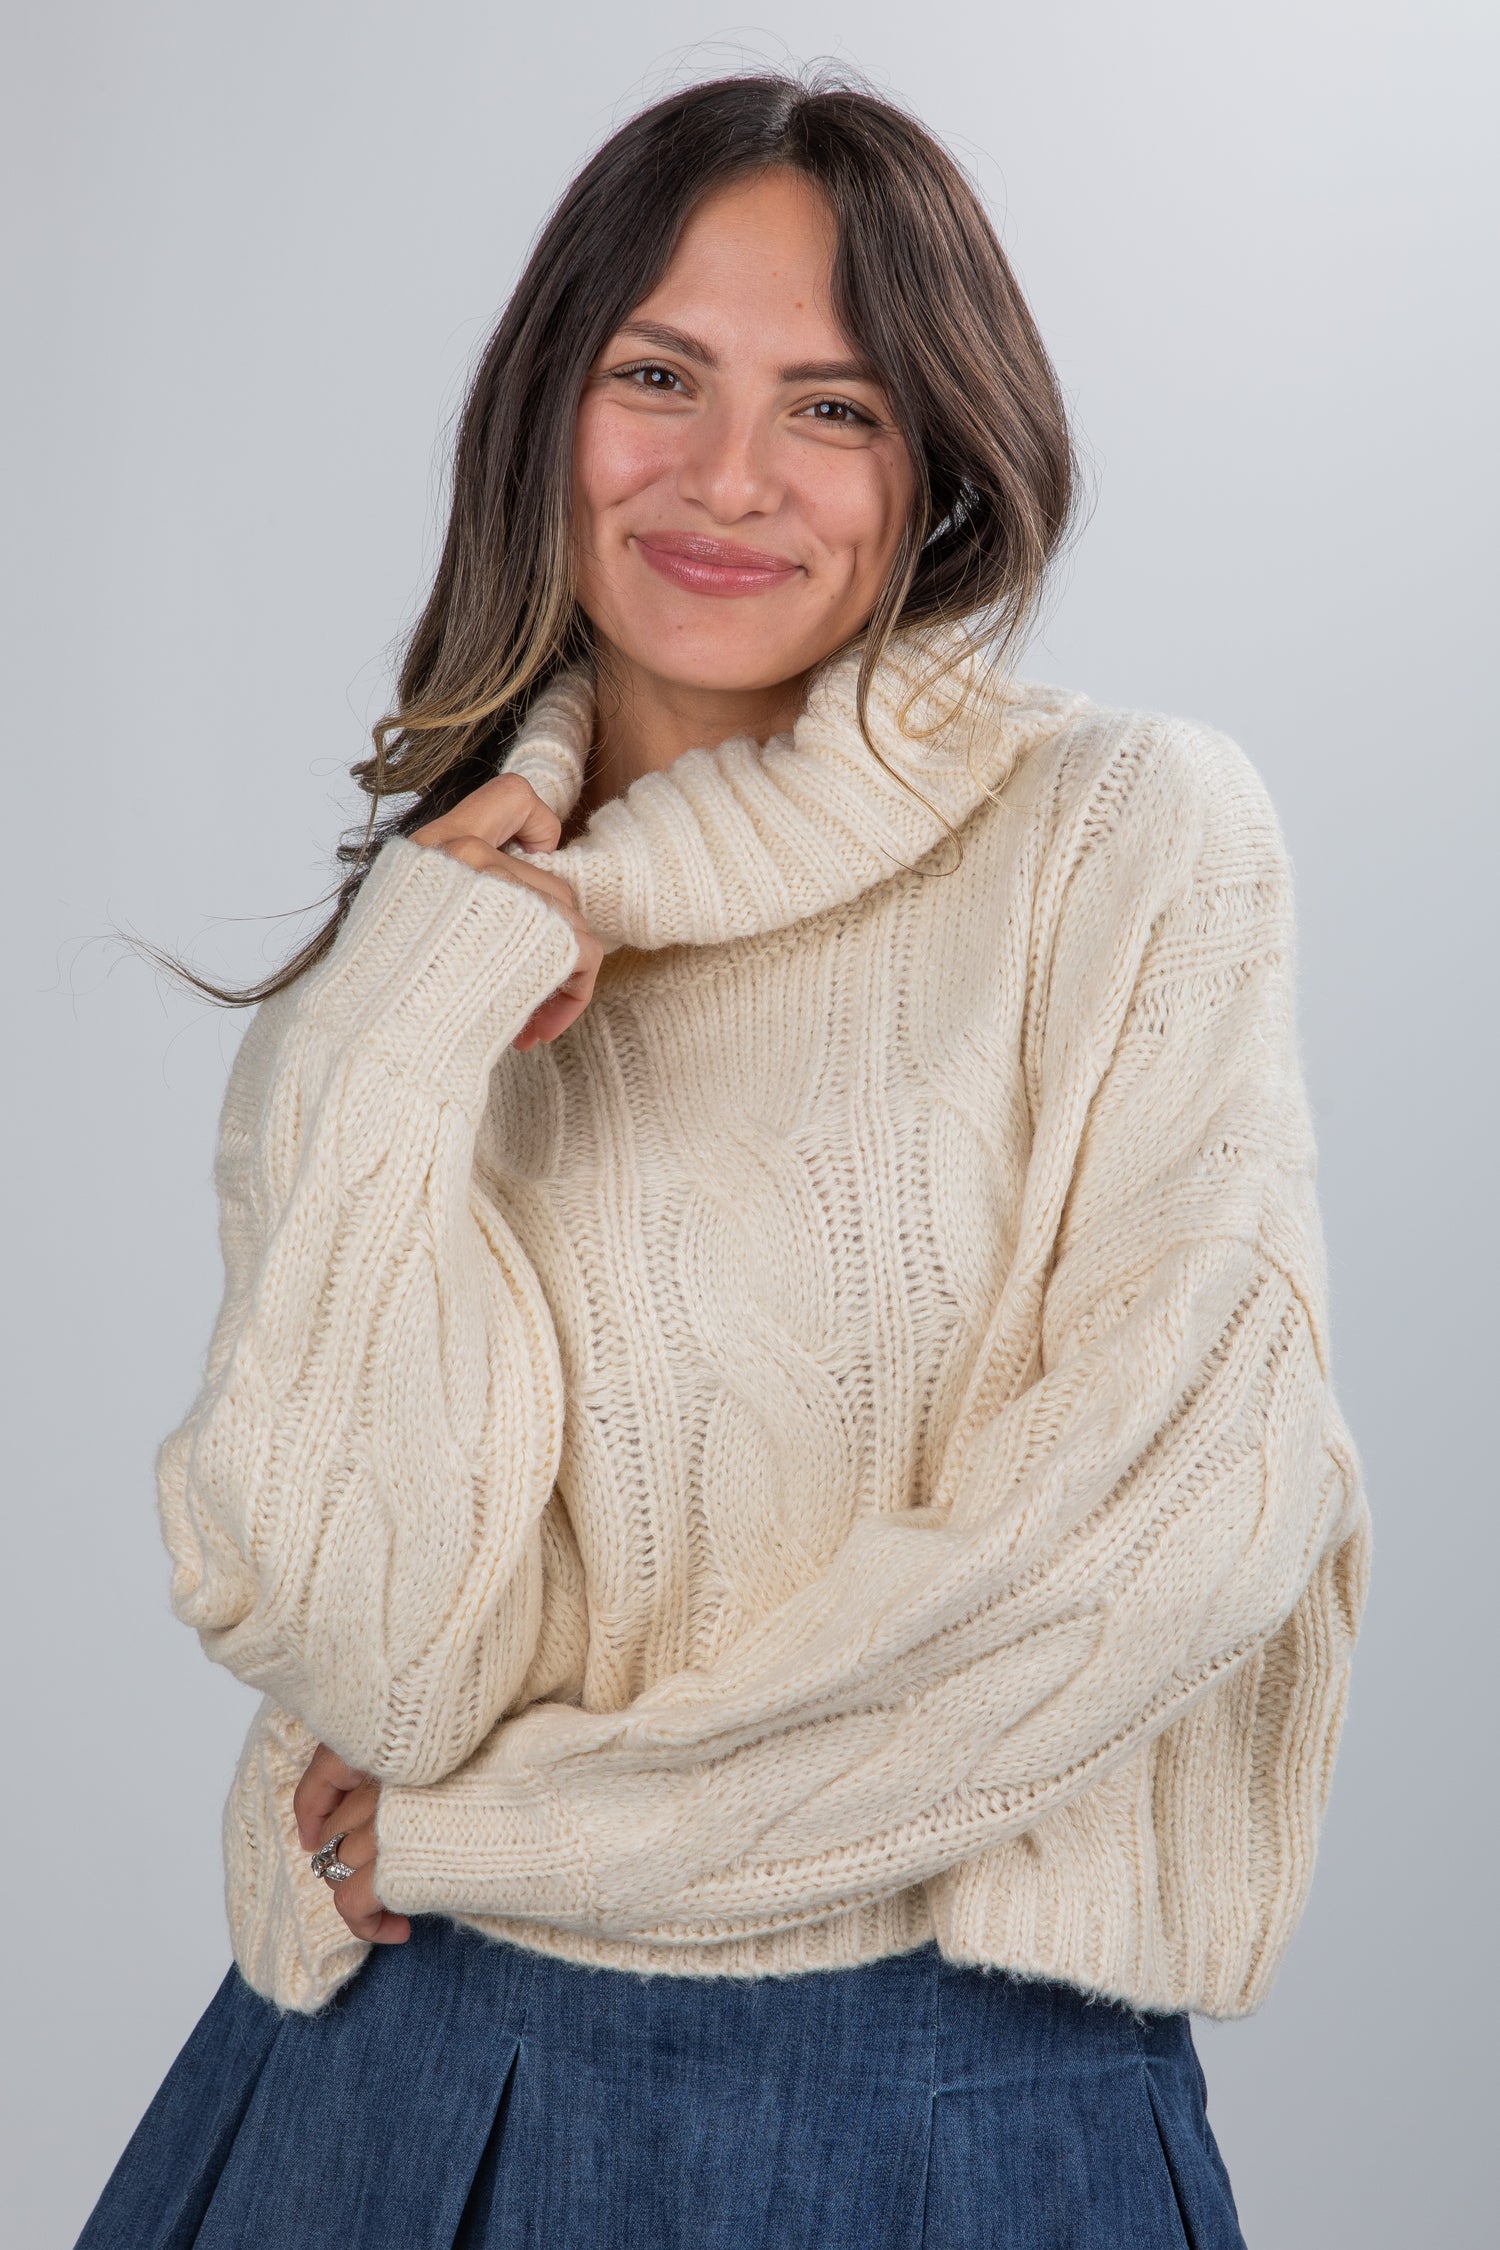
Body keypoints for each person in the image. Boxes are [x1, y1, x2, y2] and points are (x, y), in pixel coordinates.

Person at [77, 69, 1369, 2250]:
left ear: (941, 462)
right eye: (658, 375)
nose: (729, 477)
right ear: (549, 410)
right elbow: (381, 1663)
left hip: (953, 2118)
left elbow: (1174, 1531)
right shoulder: (408, 981)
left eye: (833, 408)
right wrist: (409, 1008)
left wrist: (527, 1837)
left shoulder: (1127, 841)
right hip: (396, 2096)